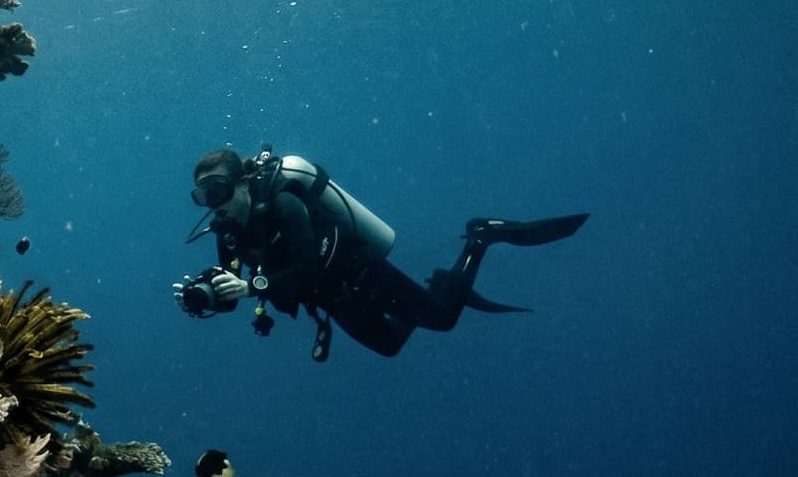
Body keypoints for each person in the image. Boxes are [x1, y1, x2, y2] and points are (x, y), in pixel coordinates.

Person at [173, 145, 588, 361]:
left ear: (243, 182)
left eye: (219, 191)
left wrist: (252, 286)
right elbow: (233, 288)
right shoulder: (227, 232)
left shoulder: (284, 204)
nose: (214, 203)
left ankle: (479, 238)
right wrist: (203, 298)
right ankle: (435, 291)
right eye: (203, 196)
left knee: (442, 320)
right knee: (391, 346)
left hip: (359, 274)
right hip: (332, 301)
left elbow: (310, 267)